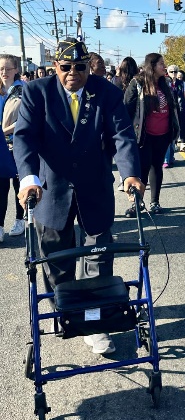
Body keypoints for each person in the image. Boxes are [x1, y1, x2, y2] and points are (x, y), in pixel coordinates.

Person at [14, 38, 144, 355]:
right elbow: (25, 138)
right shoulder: (36, 92)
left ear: (89, 67)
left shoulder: (107, 92)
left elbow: (123, 136)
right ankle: (66, 313)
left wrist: (130, 174)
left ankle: (94, 323)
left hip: (93, 186)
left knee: (99, 255)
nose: (74, 72)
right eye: (66, 66)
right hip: (50, 187)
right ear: (55, 66)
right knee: (56, 258)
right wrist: (29, 179)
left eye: (80, 66)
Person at [124, 53, 179, 216]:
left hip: (163, 134)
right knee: (143, 167)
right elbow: (127, 108)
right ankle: (137, 203)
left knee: (157, 166)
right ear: (152, 65)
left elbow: (172, 107)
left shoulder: (166, 83)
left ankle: (155, 202)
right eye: (161, 63)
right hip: (144, 135)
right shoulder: (137, 83)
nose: (164, 66)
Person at [0, 54, 25, 241]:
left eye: (8, 69)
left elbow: (24, 120)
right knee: (0, 187)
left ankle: (20, 219)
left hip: (18, 144)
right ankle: (0, 225)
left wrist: (3, 131)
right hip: (1, 146)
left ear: (16, 69)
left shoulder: (23, 90)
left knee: (18, 185)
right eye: (1, 69)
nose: (4, 72)